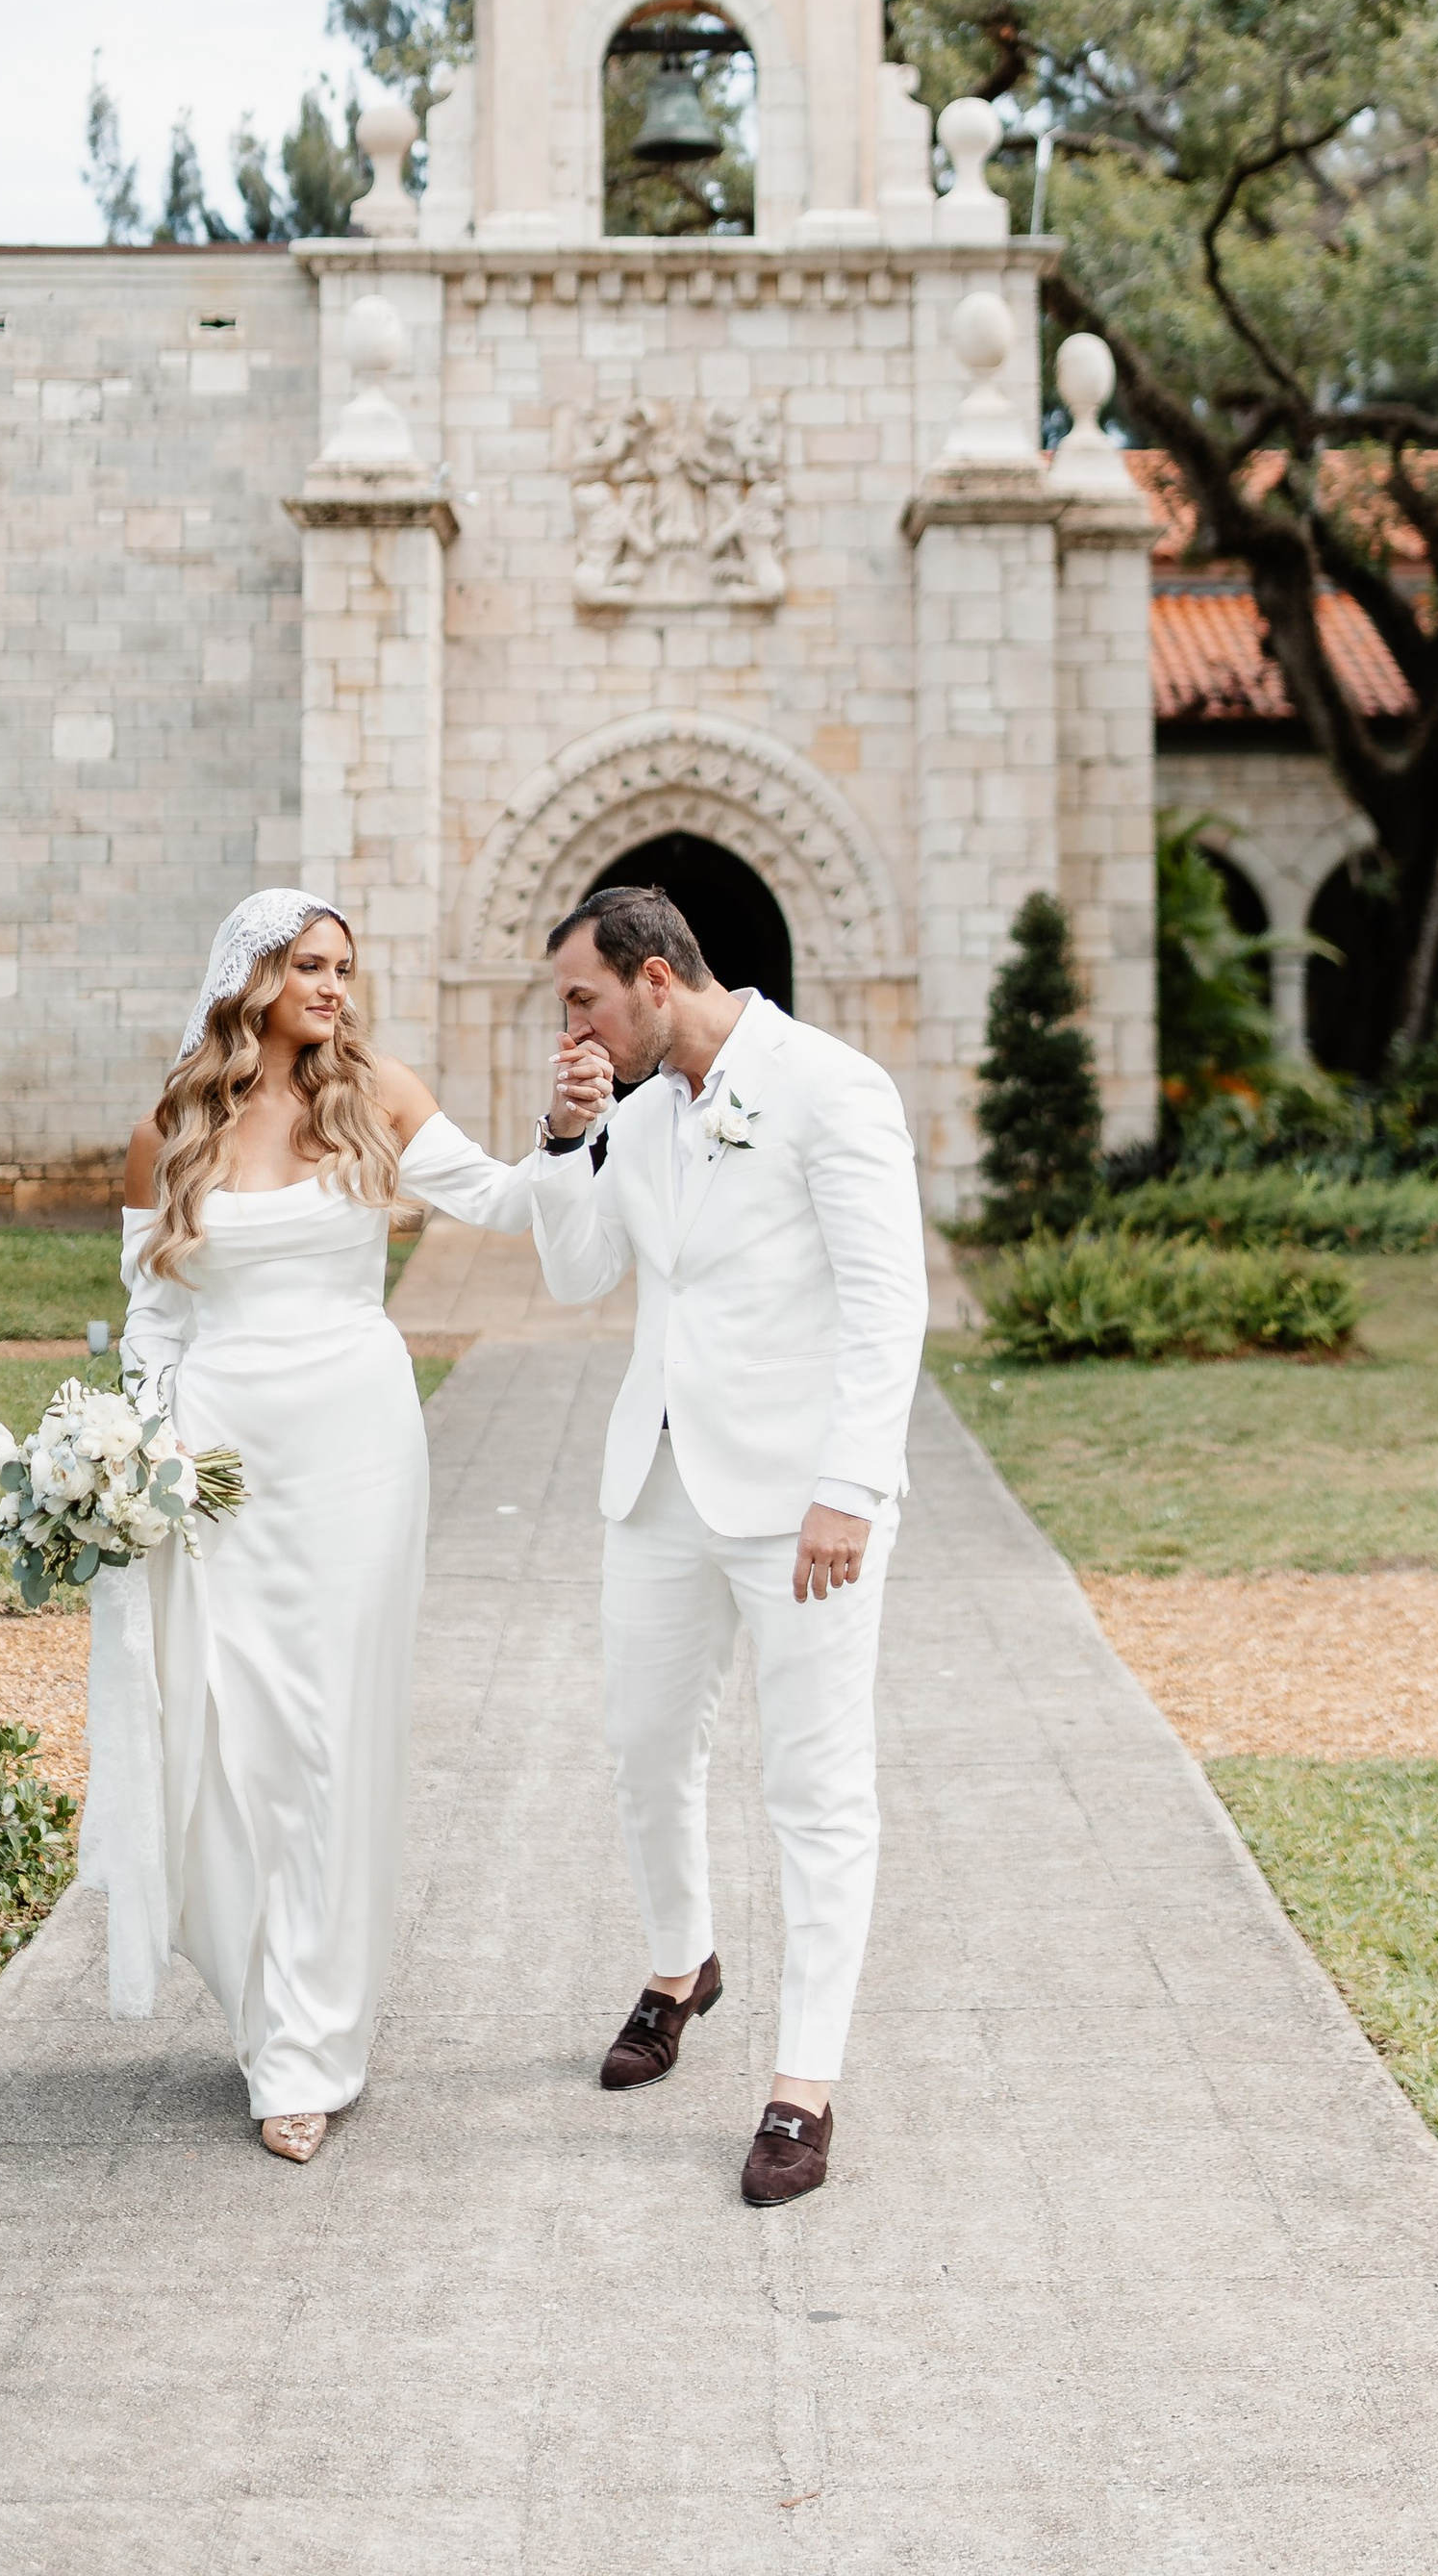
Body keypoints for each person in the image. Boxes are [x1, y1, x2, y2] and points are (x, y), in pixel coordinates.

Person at [86, 888, 530, 2164]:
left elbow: (499, 1200)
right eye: (313, 967)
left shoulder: (377, 1094)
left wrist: (564, 1131)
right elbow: (154, 1323)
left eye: (346, 967)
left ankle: (310, 2048)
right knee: (234, 1732)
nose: (336, 988)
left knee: (330, 1736)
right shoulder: (171, 1126)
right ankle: (263, 1997)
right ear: (255, 975)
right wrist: (139, 1461)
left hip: (355, 1451)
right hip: (219, 1462)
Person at [530, 882, 929, 2205]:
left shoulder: (831, 1085)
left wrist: (852, 1487)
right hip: (658, 1483)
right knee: (645, 1741)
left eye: (583, 1000)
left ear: (654, 979)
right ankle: (679, 1965)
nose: (573, 1027)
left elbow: (888, 1299)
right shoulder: (637, 1118)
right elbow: (581, 1273)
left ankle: (802, 2085)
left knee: (815, 1789)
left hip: (803, 1505)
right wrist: (562, 1136)